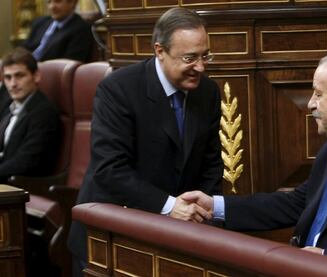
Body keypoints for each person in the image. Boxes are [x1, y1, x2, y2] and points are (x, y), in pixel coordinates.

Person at [181, 52, 327, 267]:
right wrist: (216, 206)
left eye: (318, 94)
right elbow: (296, 204)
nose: (311, 103)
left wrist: (325, 257)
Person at [68, 7, 223, 276]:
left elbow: (211, 163)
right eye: (189, 58)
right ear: (159, 51)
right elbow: (111, 170)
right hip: (110, 236)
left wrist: (199, 211)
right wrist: (171, 206)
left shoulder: (207, 92)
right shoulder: (119, 89)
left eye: (204, 56)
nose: (200, 67)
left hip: (178, 237)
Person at [0, 47, 60, 183]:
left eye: (19, 76)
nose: (13, 84)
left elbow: (26, 163)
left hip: (25, 185)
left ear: (36, 76)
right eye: (8, 78)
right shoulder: (8, 107)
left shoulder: (44, 112)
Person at [22, 0, 93, 62]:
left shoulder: (81, 29)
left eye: (58, 1)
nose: (52, 6)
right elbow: (24, 48)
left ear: (72, 2)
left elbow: (70, 64)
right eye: (49, 2)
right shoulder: (40, 22)